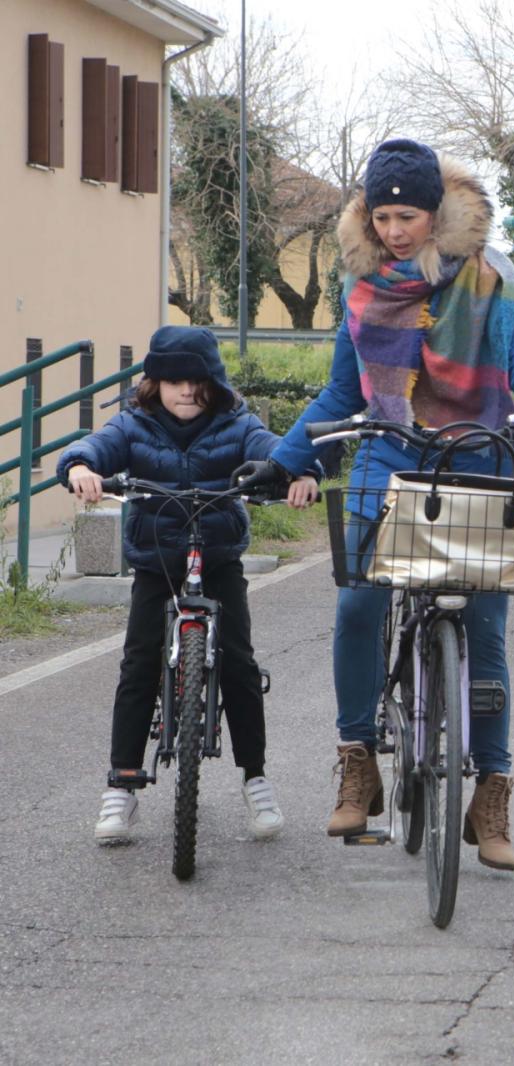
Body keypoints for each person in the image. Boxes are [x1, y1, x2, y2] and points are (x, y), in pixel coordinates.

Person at [242, 139, 514, 872]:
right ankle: (359, 760)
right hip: (388, 459)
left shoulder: (489, 282)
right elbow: (341, 394)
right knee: (357, 604)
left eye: (409, 216)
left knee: (485, 627)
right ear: (368, 217)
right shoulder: (362, 293)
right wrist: (284, 460)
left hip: (474, 455)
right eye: (383, 216)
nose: (396, 230)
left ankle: (491, 790)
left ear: (436, 212)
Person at [58, 326, 319, 845]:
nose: (185, 393)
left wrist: (299, 473)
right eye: (173, 381)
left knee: (241, 664)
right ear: (153, 383)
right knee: (137, 664)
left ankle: (256, 779)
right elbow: (95, 446)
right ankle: (121, 787)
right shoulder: (133, 424)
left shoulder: (235, 422)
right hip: (158, 562)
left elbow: (275, 448)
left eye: (197, 383)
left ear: (213, 384)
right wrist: (82, 467)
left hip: (218, 558)